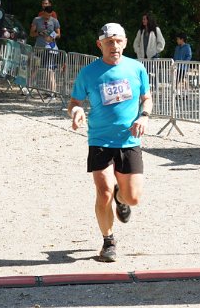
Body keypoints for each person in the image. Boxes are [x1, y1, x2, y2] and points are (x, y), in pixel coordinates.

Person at [68, 23, 152, 263]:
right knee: (103, 191)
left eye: (118, 41)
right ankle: (108, 241)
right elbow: (74, 101)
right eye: (109, 42)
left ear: (125, 42)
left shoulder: (136, 68)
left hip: (129, 139)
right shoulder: (88, 73)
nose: (114, 46)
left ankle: (121, 198)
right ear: (100, 45)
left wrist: (144, 116)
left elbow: (147, 98)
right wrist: (76, 111)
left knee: (133, 198)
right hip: (100, 140)